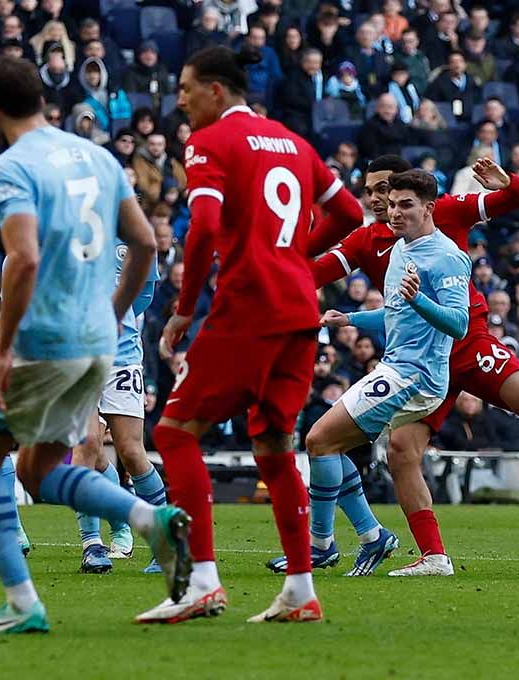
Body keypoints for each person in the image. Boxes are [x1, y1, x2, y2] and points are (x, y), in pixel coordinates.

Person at [270, 155, 519, 577]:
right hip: (421, 358)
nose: (380, 200)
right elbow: (315, 274)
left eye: (387, 190)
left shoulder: (445, 212)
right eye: (373, 192)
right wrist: (276, 266)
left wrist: (507, 182)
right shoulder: (368, 240)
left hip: (468, 345)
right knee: (401, 452)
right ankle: (433, 555)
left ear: (417, 197)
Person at [0, 56, 185, 635]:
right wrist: (111, 314)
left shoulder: (9, 168)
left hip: (45, 336)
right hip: (97, 342)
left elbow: (25, 257)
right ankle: (150, 519)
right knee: (38, 470)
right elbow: (144, 244)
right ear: (43, 99)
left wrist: (4, 348)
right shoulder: (99, 158)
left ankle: (21, 603)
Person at [142, 45, 356, 627]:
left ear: (216, 91)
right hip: (299, 312)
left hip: (250, 309)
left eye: (186, 89)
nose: (180, 101)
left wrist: (185, 311)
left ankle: (200, 581)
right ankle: (300, 588)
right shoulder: (294, 141)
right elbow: (351, 215)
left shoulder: (210, 142)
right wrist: (290, 255)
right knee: (273, 443)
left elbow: (205, 224)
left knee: (175, 430)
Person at [303, 168, 471, 579]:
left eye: (405, 205)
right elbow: (396, 314)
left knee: (319, 439)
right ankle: (417, 551)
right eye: (391, 204)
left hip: (415, 376)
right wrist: (351, 319)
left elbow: (459, 323)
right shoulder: (402, 249)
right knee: (379, 453)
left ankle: (323, 544)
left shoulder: (445, 256)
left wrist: (420, 302)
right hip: (399, 368)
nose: (394, 212)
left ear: (429, 208)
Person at [71, 216, 167, 574]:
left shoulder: (138, 240)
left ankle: (163, 539)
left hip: (123, 355)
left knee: (131, 451)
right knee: (88, 444)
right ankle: (92, 544)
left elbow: (144, 296)